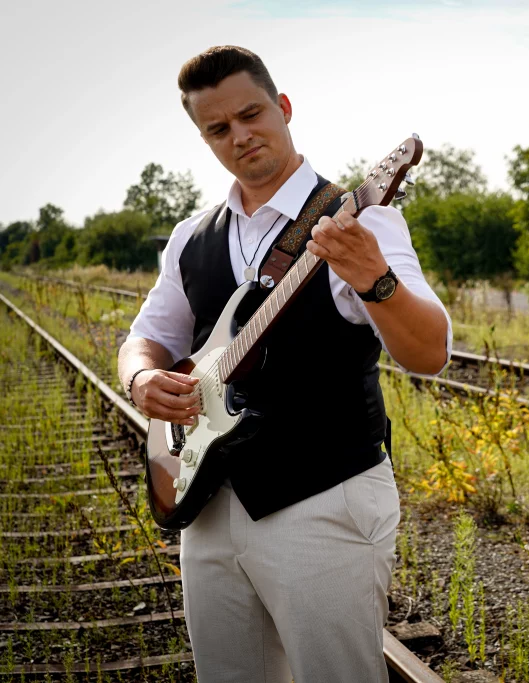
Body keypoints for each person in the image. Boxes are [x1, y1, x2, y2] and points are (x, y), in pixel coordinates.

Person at [117, 45, 452, 682]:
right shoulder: (192, 236)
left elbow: (429, 353)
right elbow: (147, 338)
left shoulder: (364, 220)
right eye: (218, 128)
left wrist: (374, 279)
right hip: (210, 504)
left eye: (251, 114)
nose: (240, 136)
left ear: (284, 107)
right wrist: (140, 378)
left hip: (323, 497)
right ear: (204, 136)